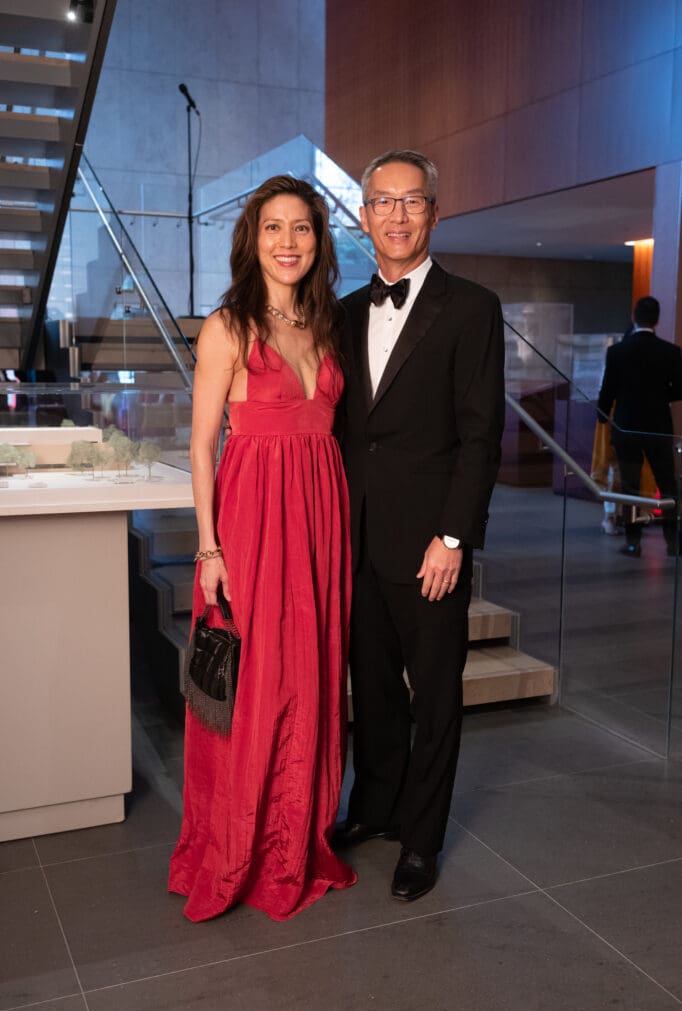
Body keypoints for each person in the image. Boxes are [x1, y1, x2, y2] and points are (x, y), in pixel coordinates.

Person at [169, 175, 356, 921]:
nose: (288, 242)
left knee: (310, 679)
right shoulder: (228, 326)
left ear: (318, 241)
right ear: (253, 239)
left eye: (302, 228)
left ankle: (298, 838)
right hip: (252, 521)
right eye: (274, 228)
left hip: (322, 518)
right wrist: (210, 551)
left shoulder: (324, 323)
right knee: (257, 685)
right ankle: (244, 846)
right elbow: (202, 444)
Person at [334, 150, 505, 901]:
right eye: (382, 201)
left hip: (431, 543)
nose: (396, 215)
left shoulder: (471, 307)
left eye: (412, 201)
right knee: (370, 690)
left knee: (434, 697)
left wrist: (455, 537)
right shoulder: (341, 311)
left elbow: (480, 435)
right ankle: (375, 807)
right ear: (362, 215)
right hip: (355, 538)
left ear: (435, 212)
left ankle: (423, 843)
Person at [597, 295, 682, 557]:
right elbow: (679, 389)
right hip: (658, 427)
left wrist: (603, 417)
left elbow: (607, 391)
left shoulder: (618, 351)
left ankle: (633, 542)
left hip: (627, 428)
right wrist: (658, 398)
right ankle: (673, 542)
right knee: (667, 484)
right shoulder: (671, 352)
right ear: (656, 320)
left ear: (633, 318)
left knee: (630, 486)